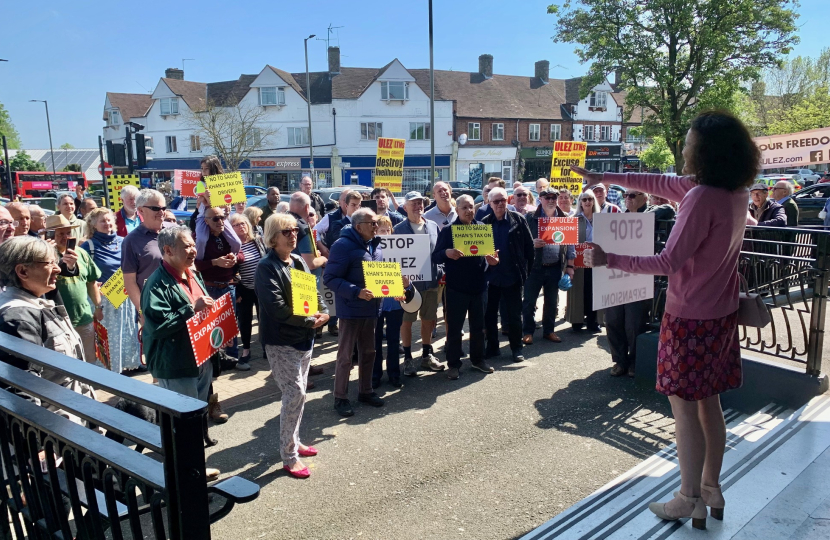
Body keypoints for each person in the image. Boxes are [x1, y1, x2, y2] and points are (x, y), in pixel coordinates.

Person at [576, 110, 760, 529]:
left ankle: (687, 497)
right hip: (721, 313)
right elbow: (660, 183)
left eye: (691, 141)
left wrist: (610, 258)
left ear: (705, 150)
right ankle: (711, 488)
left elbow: (668, 261)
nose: (685, 146)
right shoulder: (735, 191)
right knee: (709, 404)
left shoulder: (699, 198)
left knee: (683, 411)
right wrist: (608, 178)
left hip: (690, 317)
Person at [254, 213, 329, 478]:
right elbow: (276, 309)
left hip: (303, 339)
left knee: (298, 395)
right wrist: (310, 321)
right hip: (281, 341)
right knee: (295, 393)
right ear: (273, 237)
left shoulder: (298, 261)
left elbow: (313, 294)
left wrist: (322, 312)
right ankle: (289, 454)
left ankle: (294, 440)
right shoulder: (266, 267)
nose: (294, 234)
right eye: (288, 231)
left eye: (296, 230)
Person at [141, 225, 221, 457]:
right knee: (183, 420)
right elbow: (158, 327)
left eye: (193, 244)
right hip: (176, 363)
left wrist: (219, 333)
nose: (193, 250)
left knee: (197, 413)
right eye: (187, 246)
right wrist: (190, 310)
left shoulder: (193, 274)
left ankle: (195, 463)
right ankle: (188, 470)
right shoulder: (156, 284)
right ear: (167, 250)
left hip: (201, 357)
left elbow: (205, 313)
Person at [0, 236, 96, 422]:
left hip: (72, 419)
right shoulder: (18, 318)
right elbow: (22, 388)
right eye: (50, 263)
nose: (58, 269)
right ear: (22, 271)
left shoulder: (38, 300)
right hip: (56, 433)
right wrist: (39, 445)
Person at [603, 190, 675, 377]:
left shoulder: (653, 211)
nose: (628, 198)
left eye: (633, 195)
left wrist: (643, 218)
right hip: (616, 276)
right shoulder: (620, 217)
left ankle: (635, 361)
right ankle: (619, 360)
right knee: (612, 320)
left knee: (634, 323)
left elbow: (668, 209)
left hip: (640, 276)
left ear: (644, 197)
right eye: (626, 195)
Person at [323, 208, 385, 417]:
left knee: (369, 352)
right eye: (373, 223)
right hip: (350, 311)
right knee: (345, 357)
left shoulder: (374, 245)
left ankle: (365, 391)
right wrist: (356, 292)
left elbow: (380, 275)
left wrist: (396, 289)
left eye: (377, 223)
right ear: (359, 227)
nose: (377, 226)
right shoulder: (342, 246)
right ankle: (340, 398)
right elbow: (329, 278)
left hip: (371, 309)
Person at [433, 195, 499, 379]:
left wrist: (493, 261)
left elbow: (490, 256)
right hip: (456, 288)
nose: (469, 211)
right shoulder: (448, 231)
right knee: (454, 329)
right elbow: (436, 256)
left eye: (471, 207)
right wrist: (447, 252)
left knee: (479, 327)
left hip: (479, 286)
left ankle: (478, 360)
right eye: (465, 208)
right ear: (458, 210)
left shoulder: (483, 229)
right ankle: (453, 364)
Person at [81, 208, 142, 373]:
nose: (107, 223)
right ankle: (109, 370)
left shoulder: (124, 241)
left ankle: (125, 368)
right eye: (102, 221)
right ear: (93, 225)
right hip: (104, 300)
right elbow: (86, 275)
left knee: (126, 332)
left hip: (124, 296)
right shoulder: (88, 246)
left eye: (109, 220)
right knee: (109, 338)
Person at [481, 187, 534, 362]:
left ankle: (516, 349)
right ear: (489, 203)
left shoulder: (518, 220)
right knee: (489, 316)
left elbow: (529, 248)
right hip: (492, 278)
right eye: (496, 201)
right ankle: (492, 347)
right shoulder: (483, 223)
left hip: (512, 277)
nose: (500, 204)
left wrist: (526, 273)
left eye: (503, 200)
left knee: (513, 316)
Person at [394, 191, 445, 375]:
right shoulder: (398, 229)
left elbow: (439, 252)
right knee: (406, 322)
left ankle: (426, 355)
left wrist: (441, 271)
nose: (418, 206)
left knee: (429, 320)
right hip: (408, 286)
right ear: (405, 207)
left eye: (421, 203)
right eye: (414, 203)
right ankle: (407, 358)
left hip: (431, 282)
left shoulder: (432, 226)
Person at [46, 214, 103, 364]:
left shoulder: (81, 253)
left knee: (88, 359)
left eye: (68, 233)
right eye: (60, 234)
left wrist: (98, 306)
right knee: (65, 362)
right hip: (56, 320)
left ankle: (89, 387)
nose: (65, 237)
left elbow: (92, 281)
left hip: (82, 316)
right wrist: (48, 254)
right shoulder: (44, 256)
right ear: (51, 235)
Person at [194, 202, 244, 368]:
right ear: (206, 221)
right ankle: (213, 361)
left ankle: (233, 358)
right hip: (208, 286)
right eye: (216, 219)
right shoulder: (199, 237)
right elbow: (194, 264)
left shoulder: (228, 236)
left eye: (222, 217)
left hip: (228, 285)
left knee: (230, 324)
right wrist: (215, 262)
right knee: (209, 326)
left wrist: (235, 258)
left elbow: (242, 254)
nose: (220, 221)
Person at [522, 188, 575, 345]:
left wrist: (570, 267)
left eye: (554, 197)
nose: (551, 200)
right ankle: (528, 331)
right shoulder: (530, 218)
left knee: (552, 302)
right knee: (529, 301)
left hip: (554, 266)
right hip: (534, 267)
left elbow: (570, 245)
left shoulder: (564, 218)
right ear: (540, 199)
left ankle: (549, 331)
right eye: (548, 197)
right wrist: (532, 243)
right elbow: (521, 242)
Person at [372, 216, 413, 388]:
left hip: (396, 300)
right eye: (382, 230)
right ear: (375, 232)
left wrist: (407, 281)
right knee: (375, 342)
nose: (386, 233)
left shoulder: (399, 251)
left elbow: (410, 272)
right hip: (376, 301)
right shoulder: (371, 250)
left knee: (394, 340)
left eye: (388, 230)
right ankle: (375, 375)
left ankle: (394, 374)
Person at [122, 189, 165, 326]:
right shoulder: (131, 241)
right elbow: (129, 282)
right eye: (155, 208)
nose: (161, 212)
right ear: (140, 210)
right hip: (152, 309)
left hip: (178, 304)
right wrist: (142, 312)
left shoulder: (173, 232)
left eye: (163, 208)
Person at [230, 213, 265, 364]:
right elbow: (231, 272)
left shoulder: (257, 241)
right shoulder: (232, 246)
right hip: (244, 289)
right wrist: (236, 292)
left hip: (261, 288)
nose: (241, 227)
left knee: (264, 319)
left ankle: (266, 347)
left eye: (243, 223)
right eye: (236, 225)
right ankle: (245, 349)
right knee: (245, 320)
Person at [568, 190, 601, 332]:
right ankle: (577, 321)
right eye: (584, 199)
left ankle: (593, 322)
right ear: (580, 202)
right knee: (578, 291)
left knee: (594, 291)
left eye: (590, 199)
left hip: (596, 261)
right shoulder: (573, 219)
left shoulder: (601, 219)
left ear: (594, 201)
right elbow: (568, 243)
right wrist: (570, 262)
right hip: (578, 262)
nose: (587, 202)